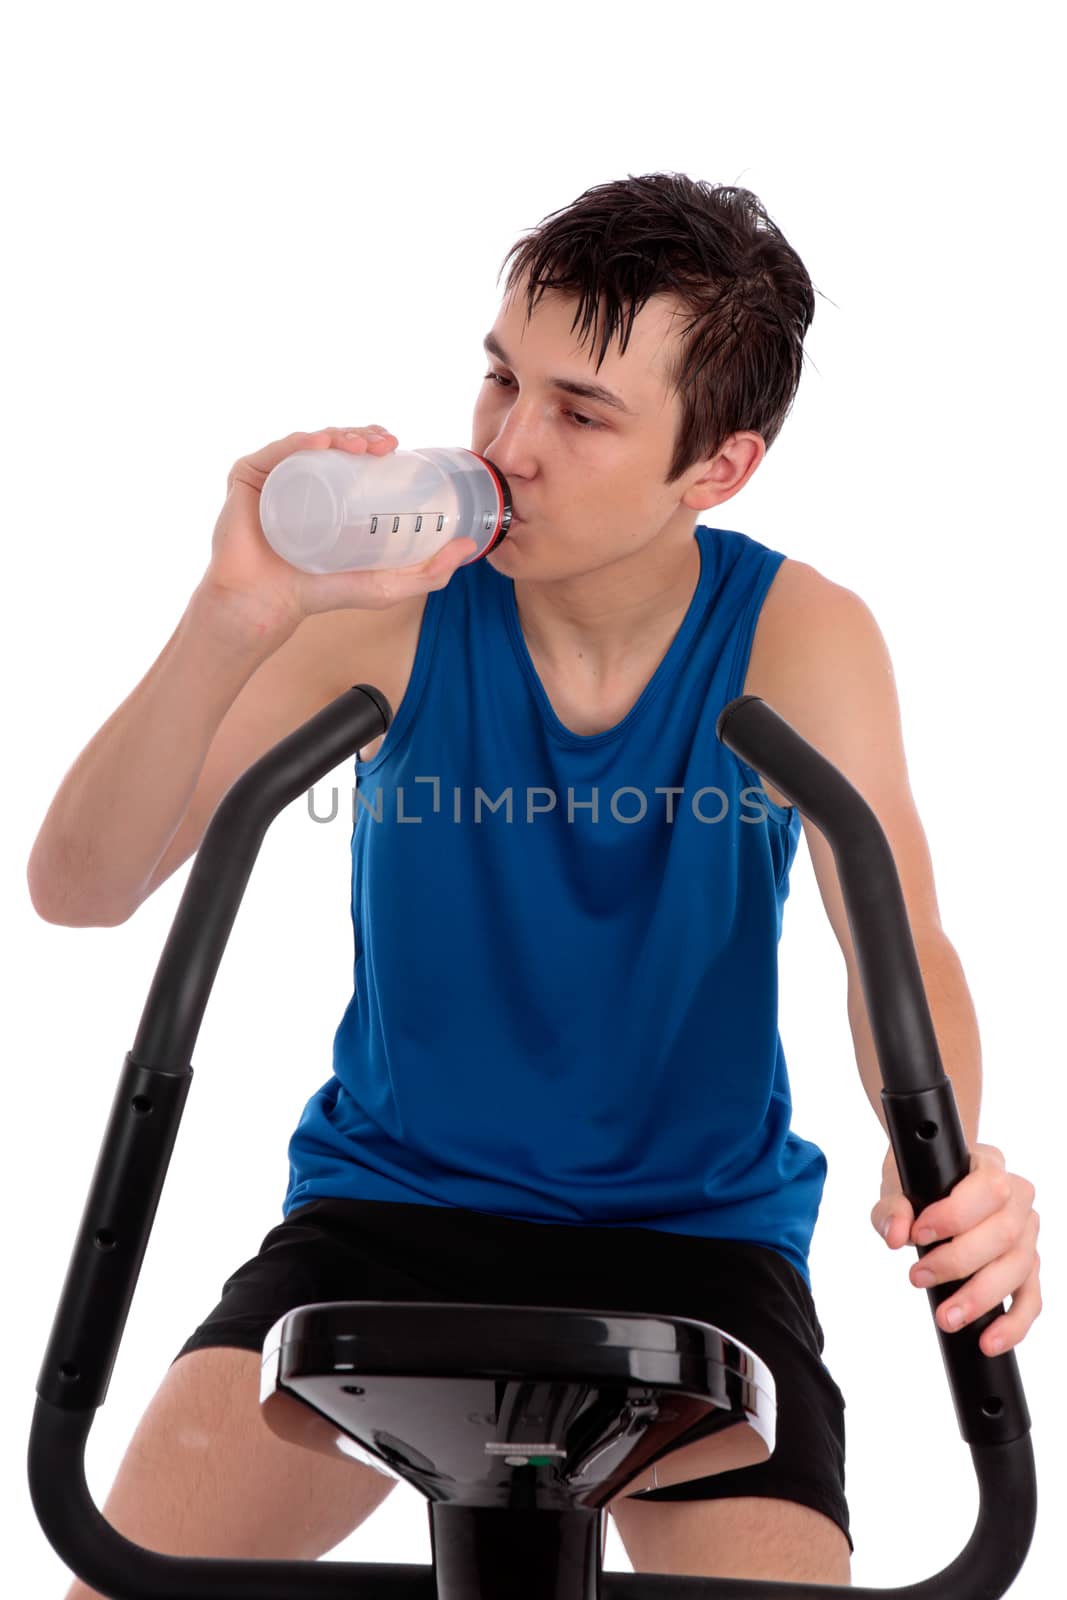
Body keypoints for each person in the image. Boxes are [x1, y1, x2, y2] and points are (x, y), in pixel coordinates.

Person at [28, 172, 1041, 1593]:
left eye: (580, 413)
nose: (505, 445)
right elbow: (79, 884)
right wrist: (233, 618)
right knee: (115, 1579)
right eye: (501, 377)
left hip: (694, 1245)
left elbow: (901, 934)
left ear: (718, 469)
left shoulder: (796, 637)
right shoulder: (392, 619)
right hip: (386, 1224)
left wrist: (943, 1161)